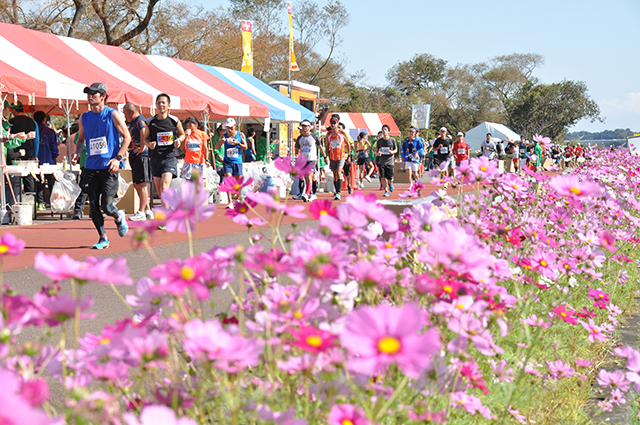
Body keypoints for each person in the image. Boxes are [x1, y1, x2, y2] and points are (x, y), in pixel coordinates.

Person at [72, 82, 131, 249]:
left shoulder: (112, 114)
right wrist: (77, 152)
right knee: (93, 206)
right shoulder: (85, 117)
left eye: (94, 93)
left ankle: (118, 217)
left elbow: (127, 137)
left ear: (103, 96)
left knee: (106, 205)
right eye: (88, 93)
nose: (90, 96)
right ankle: (103, 237)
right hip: (90, 166)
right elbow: (81, 139)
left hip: (108, 166)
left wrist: (118, 158)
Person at [146, 93, 185, 217]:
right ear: (156, 105)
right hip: (155, 157)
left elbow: (182, 134)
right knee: (160, 191)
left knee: (164, 186)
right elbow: (145, 138)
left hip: (170, 156)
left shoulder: (174, 120)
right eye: (159, 102)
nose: (161, 105)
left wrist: (179, 140)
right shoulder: (150, 122)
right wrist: (149, 144)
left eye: (163, 102)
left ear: (169, 105)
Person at [122, 103, 153, 222]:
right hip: (134, 155)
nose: (125, 117)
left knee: (142, 184)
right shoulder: (133, 122)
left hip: (142, 156)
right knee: (136, 184)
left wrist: (141, 147)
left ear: (131, 113)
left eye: (126, 114)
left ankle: (141, 212)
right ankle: (147, 210)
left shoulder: (140, 120)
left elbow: (143, 132)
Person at [7, 101, 38, 196]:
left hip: (13, 153)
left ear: (13, 110)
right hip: (28, 153)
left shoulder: (11, 122)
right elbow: (36, 140)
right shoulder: (32, 122)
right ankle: (31, 201)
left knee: (14, 179)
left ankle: (14, 200)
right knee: (29, 178)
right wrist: (35, 155)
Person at [216, 117, 247, 208]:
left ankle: (237, 199)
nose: (229, 129)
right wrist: (221, 142)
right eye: (227, 127)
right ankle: (230, 201)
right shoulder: (224, 135)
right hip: (227, 161)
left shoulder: (240, 135)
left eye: (231, 127)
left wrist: (238, 144)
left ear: (235, 126)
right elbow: (216, 147)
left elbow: (245, 147)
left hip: (237, 161)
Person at [294, 119, 325, 202]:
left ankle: (307, 194)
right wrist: (296, 154)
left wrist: (325, 156)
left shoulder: (314, 136)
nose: (303, 128)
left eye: (305, 126)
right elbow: (296, 147)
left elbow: (320, 146)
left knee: (309, 176)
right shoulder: (300, 138)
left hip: (311, 159)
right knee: (304, 177)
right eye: (302, 126)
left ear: (309, 127)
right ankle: (306, 193)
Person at [34, 111, 58, 211]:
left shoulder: (33, 131)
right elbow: (54, 147)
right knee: (52, 183)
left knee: (39, 183)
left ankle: (40, 203)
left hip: (36, 161)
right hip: (49, 162)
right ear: (45, 119)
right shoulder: (51, 132)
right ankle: (53, 204)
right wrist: (56, 157)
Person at [326, 115, 349, 200]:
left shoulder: (342, 133)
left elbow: (348, 144)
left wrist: (349, 155)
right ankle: (336, 191)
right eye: (331, 123)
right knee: (335, 174)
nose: (333, 124)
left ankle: (339, 192)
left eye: (334, 123)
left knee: (339, 172)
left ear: (337, 123)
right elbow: (327, 145)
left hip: (341, 156)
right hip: (332, 156)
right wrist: (326, 156)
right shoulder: (328, 134)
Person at [181, 116, 209, 181]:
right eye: (187, 126)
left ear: (196, 124)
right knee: (189, 184)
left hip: (199, 162)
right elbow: (182, 147)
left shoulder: (202, 134)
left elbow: (205, 148)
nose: (189, 127)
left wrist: (207, 160)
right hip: (188, 161)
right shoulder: (186, 134)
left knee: (198, 184)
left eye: (190, 125)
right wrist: (185, 136)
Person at [375, 124, 397, 197]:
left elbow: (396, 149)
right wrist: (378, 153)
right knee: (382, 177)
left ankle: (390, 184)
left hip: (390, 161)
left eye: (385, 130)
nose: (384, 131)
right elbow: (377, 150)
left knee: (390, 178)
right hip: (381, 161)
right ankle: (386, 191)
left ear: (388, 132)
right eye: (383, 129)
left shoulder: (392, 140)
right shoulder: (379, 141)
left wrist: (392, 152)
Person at [338, 122, 355, 194]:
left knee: (347, 173)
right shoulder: (335, 136)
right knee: (338, 173)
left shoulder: (347, 136)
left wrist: (345, 147)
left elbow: (352, 145)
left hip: (346, 156)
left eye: (340, 127)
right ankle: (337, 190)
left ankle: (349, 185)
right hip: (338, 157)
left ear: (343, 129)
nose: (338, 128)